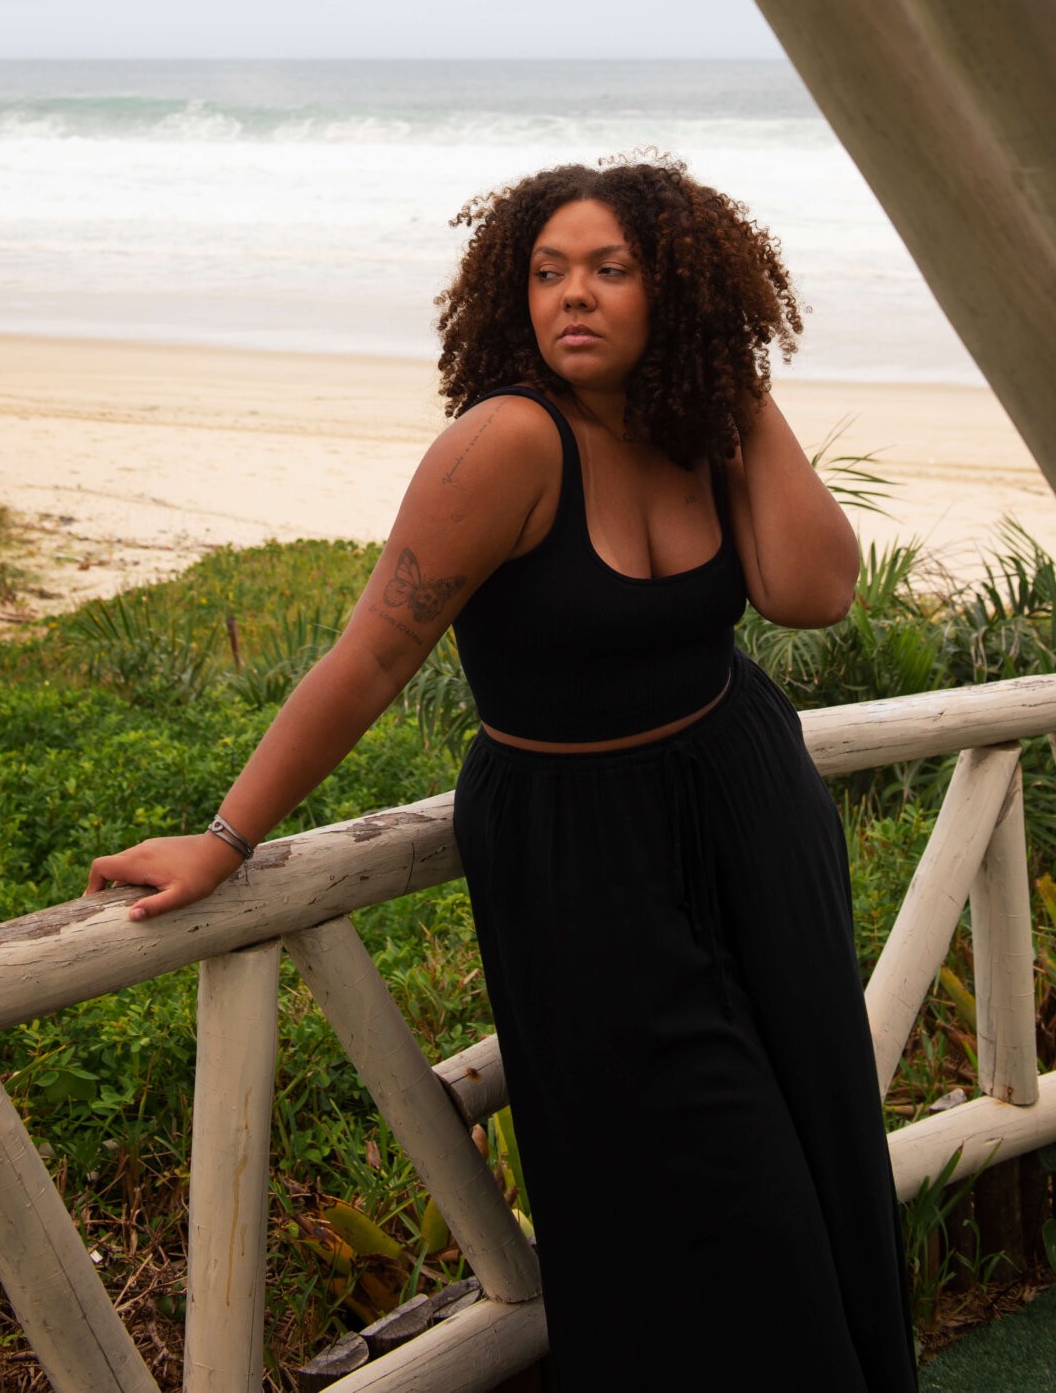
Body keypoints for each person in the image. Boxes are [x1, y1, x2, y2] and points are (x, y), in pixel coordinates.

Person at [88, 154, 918, 1389]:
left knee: (818, 1136)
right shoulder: (506, 444)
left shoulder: (694, 422)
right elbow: (371, 653)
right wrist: (226, 835)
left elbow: (814, 591)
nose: (570, 296)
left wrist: (735, 382)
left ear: (673, 294)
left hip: (749, 808)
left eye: (609, 270)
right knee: (718, 1197)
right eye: (546, 272)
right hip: (587, 860)